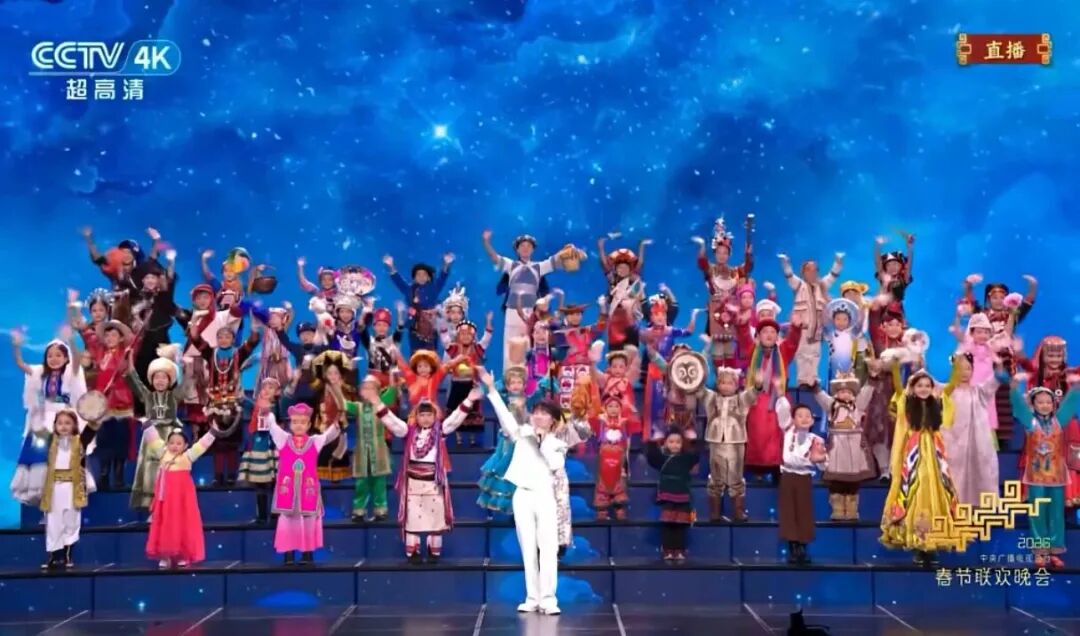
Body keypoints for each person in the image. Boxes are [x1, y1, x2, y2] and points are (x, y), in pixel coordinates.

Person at [480, 369, 567, 616]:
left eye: (544, 414)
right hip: (522, 495)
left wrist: (541, 441)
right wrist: (492, 389)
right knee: (527, 548)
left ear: (552, 420)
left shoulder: (557, 443)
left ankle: (548, 599)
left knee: (547, 548)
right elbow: (504, 415)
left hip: (545, 497)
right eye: (536, 412)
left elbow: (555, 465)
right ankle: (532, 597)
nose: (538, 416)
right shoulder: (521, 432)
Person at [364, 389, 480, 563]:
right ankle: (413, 553)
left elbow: (455, 419)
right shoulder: (408, 432)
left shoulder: (441, 431)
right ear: (416, 417)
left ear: (435, 416)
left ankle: (434, 553)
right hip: (413, 483)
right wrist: (377, 403)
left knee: (435, 521)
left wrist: (469, 400)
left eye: (429, 415)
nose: (425, 418)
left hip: (434, 483)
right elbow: (392, 421)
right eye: (422, 415)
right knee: (412, 521)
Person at [1008, 369, 1080, 568]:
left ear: (1054, 405)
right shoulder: (1029, 421)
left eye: (1049, 402)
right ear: (1033, 405)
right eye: (1040, 402)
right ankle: (1040, 551)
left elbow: (1071, 403)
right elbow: (1018, 406)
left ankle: (1055, 550)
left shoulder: (1059, 421)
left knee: (1056, 514)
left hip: (1057, 476)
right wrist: (1014, 388)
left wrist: (1076, 386)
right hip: (1036, 476)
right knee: (1037, 513)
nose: (1045, 405)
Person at [271, 402, 340, 566]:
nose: (298, 425)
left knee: (308, 522)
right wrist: (269, 413)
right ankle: (288, 554)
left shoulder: (315, 441)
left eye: (302, 422)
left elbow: (329, 435)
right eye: (295, 422)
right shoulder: (283, 440)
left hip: (307, 491)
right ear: (290, 424)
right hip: (288, 492)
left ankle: (307, 554)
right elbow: (272, 427)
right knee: (287, 522)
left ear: (309, 425)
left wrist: (337, 422)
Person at [143, 425, 219, 569]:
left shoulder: (188, 456)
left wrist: (212, 432)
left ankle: (182, 555)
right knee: (164, 523)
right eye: (171, 442)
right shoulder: (163, 453)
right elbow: (153, 439)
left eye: (179, 443)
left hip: (183, 499)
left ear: (185, 446)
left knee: (183, 523)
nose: (174, 446)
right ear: (167, 444)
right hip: (165, 499)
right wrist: (147, 424)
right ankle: (164, 556)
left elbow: (201, 445)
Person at [39, 410, 100, 570]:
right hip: (54, 489)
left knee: (71, 521)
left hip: (72, 489)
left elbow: (90, 430)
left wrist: (94, 416)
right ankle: (53, 556)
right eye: (60, 423)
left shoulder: (79, 442)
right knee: (53, 522)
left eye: (67, 423)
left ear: (74, 425)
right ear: (54, 426)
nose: (64, 426)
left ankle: (67, 555)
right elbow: (38, 431)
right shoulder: (51, 442)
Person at [777, 395, 828, 565]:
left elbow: (823, 464)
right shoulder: (788, 431)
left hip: (804, 478)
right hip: (788, 476)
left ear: (812, 420)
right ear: (793, 419)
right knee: (789, 512)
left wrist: (821, 459)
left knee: (804, 512)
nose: (804, 418)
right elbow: (783, 411)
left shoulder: (816, 440)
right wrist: (780, 394)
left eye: (808, 416)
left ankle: (802, 547)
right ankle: (792, 547)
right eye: (800, 415)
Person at [645, 428, 701, 562]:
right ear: (665, 443)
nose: (674, 445)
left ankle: (679, 550)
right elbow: (652, 457)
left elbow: (696, 455)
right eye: (671, 442)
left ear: (682, 444)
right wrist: (653, 443)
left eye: (678, 442)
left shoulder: (686, 458)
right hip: (667, 495)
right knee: (668, 524)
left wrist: (694, 441)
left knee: (681, 525)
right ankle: (668, 550)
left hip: (683, 496)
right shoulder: (662, 459)